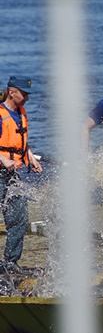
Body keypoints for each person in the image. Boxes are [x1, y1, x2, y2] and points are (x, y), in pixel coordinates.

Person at [1, 76, 43, 281]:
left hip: (13, 175)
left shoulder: (21, 114)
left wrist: (31, 157)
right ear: (12, 92)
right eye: (23, 94)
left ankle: (9, 264)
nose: (27, 98)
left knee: (18, 218)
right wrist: (2, 159)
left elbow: (20, 141)